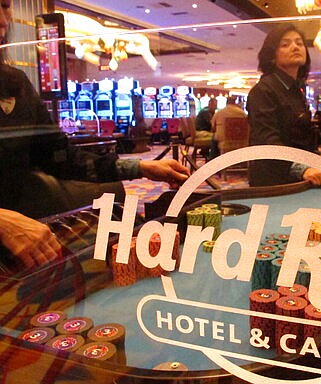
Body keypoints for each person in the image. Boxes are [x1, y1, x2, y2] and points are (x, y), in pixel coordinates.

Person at [0, 0, 190, 269]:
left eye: (6, 5)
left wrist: (142, 166)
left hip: (21, 250)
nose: (2, 17)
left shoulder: (14, 82)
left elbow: (61, 158)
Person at [247, 23, 321, 187]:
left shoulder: (296, 90)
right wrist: (303, 169)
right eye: (285, 44)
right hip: (272, 184)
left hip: (297, 181)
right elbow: (267, 143)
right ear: (272, 55)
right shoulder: (263, 90)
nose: (295, 47)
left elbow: (297, 143)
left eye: (299, 43)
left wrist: (320, 157)